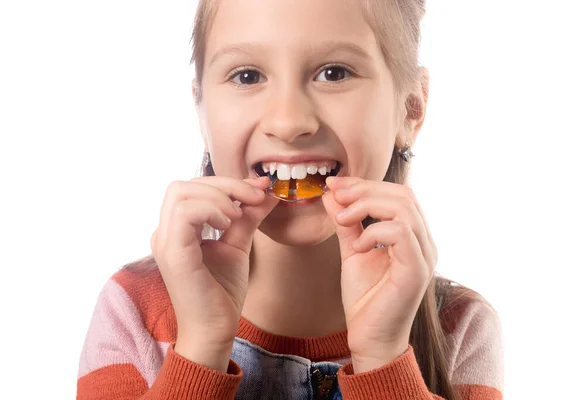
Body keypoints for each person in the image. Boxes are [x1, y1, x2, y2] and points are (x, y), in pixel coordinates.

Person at [76, 0, 504, 398]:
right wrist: (200, 346)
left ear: (410, 109)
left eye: (335, 73)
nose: (288, 122)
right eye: (247, 76)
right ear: (201, 112)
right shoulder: (132, 309)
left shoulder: (460, 327)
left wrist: (384, 358)